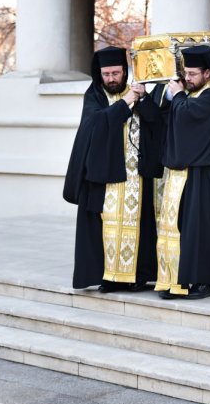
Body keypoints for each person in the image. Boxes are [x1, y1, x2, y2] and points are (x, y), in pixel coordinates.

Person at [63, 47, 164, 292]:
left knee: (138, 225)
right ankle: (109, 277)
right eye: (106, 74)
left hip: (136, 177)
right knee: (106, 226)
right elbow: (96, 124)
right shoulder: (94, 96)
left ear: (125, 72)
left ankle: (135, 276)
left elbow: (157, 123)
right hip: (105, 178)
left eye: (115, 73)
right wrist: (126, 102)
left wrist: (143, 99)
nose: (111, 78)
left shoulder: (137, 93)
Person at [157, 45, 210, 300]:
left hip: (204, 177)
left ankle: (202, 283)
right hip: (186, 174)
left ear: (208, 74)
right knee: (180, 227)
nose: (187, 78)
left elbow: (189, 119)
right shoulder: (196, 93)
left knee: (198, 229)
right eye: (185, 73)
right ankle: (177, 281)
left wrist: (178, 96)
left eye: (192, 74)